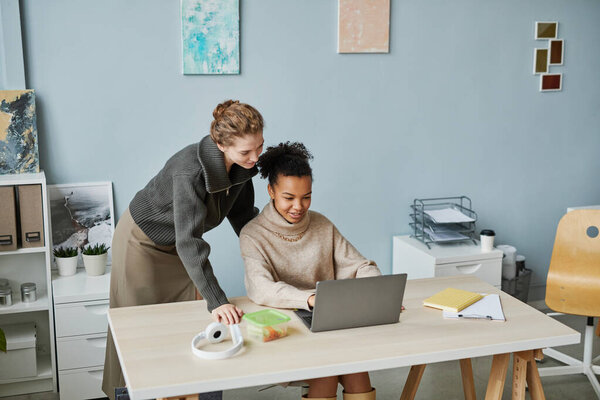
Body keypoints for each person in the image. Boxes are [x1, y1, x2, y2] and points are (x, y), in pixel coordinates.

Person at [102, 100, 265, 400]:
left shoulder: (243, 167)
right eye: (246, 152)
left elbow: (244, 218)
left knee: (190, 324)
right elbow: (190, 241)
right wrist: (218, 300)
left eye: (259, 148)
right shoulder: (188, 171)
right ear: (220, 144)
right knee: (140, 332)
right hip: (142, 244)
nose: (255, 158)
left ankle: (186, 392)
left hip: (180, 244)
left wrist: (270, 255)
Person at [240, 142, 379, 400]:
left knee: (354, 364)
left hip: (328, 320)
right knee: (330, 363)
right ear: (271, 191)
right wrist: (310, 299)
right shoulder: (253, 234)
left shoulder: (321, 224)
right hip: (286, 328)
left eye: (306, 197)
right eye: (289, 198)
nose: (299, 206)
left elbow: (360, 265)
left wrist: (374, 291)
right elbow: (260, 287)